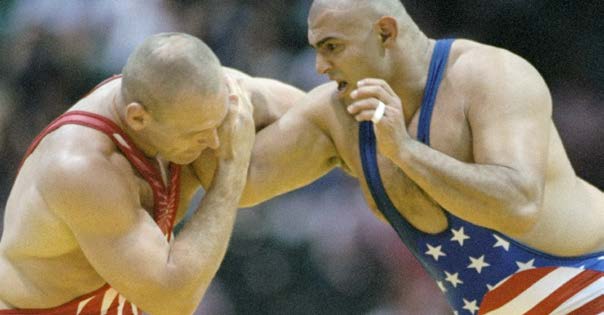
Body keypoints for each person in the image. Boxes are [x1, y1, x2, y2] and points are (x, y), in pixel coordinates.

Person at [240, 0, 604, 314]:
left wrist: (406, 151)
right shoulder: (338, 115)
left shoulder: (487, 74)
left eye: (332, 47)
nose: (320, 65)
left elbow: (519, 204)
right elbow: (240, 184)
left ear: (385, 33)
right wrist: (213, 111)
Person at [0, 32, 304, 315]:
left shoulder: (186, 96)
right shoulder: (81, 168)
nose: (214, 141)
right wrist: (230, 173)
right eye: (197, 133)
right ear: (137, 117)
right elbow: (173, 300)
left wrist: (352, 104)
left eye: (216, 123)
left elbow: (317, 115)